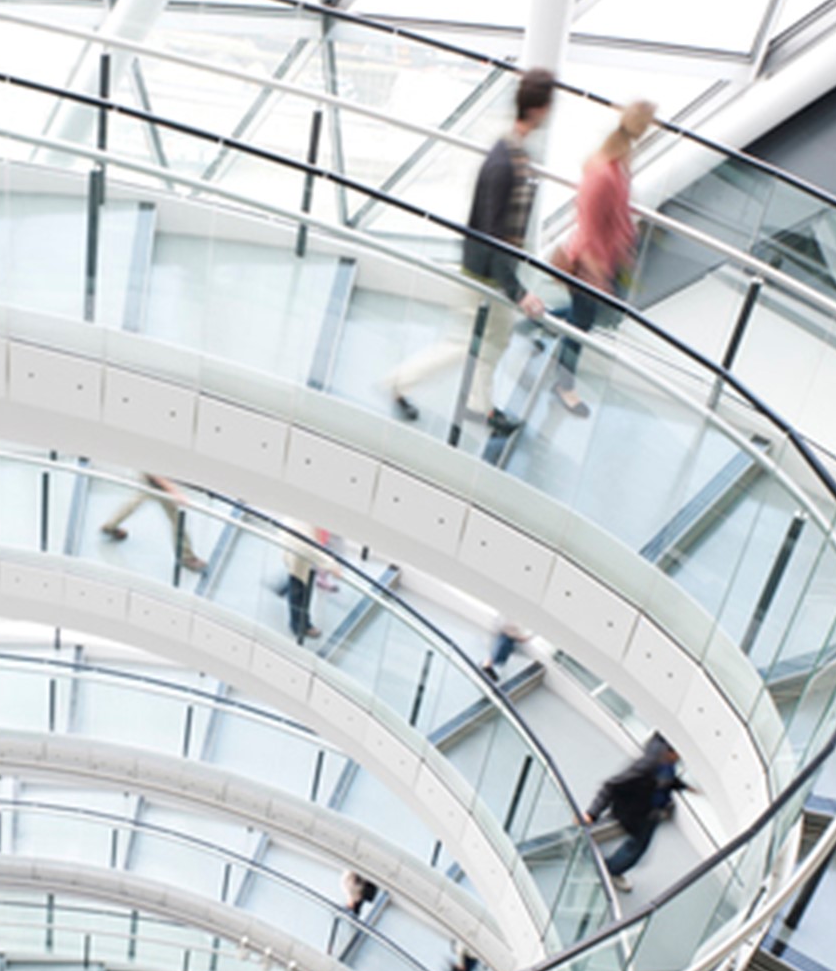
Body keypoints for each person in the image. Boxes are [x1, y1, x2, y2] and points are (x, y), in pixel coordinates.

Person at [381, 69, 556, 436]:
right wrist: (518, 291)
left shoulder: (513, 152)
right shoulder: (503, 161)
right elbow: (493, 235)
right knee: (463, 343)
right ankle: (399, 382)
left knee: (496, 337)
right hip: (483, 274)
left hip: (492, 271)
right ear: (539, 109)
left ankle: (481, 405)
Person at [549, 100, 657, 416]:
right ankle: (563, 386)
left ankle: (543, 319)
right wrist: (597, 275)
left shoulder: (616, 163)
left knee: (584, 318)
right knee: (582, 325)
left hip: (603, 260)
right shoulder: (605, 174)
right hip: (589, 265)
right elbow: (592, 228)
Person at [580, 733, 686, 893]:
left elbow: (667, 781)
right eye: (678, 755)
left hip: (646, 810)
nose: (679, 759)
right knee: (637, 848)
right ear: (671, 752)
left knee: (635, 844)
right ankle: (611, 870)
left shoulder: (665, 763)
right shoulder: (649, 765)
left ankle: (602, 861)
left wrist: (682, 786)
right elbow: (611, 785)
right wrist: (592, 813)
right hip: (639, 811)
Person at [98, 473, 207, 573]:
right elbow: (156, 473)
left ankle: (111, 525)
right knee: (176, 517)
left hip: (151, 475)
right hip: (155, 478)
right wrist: (174, 492)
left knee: (137, 499)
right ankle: (186, 556)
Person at [277, 522, 339, 643]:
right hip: (303, 554)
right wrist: (332, 566)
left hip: (309, 556)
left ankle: (301, 623)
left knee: (300, 587)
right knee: (298, 588)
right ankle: (299, 625)